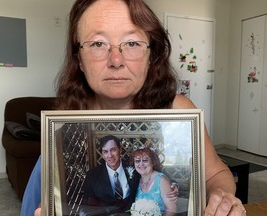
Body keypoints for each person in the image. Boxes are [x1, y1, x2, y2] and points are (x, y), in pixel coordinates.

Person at [21, 0, 246, 215]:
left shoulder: (179, 109)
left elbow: (215, 173)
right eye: (98, 43)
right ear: (79, 58)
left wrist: (222, 196)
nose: (116, 60)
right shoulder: (63, 123)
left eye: (132, 43)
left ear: (151, 55)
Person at [82, 135, 140, 209]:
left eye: (113, 150)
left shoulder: (134, 170)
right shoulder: (92, 175)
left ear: (120, 149)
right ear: (102, 154)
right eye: (105, 152)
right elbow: (87, 203)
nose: (110, 155)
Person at [129, 147, 177, 215]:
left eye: (145, 160)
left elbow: (171, 209)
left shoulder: (161, 180)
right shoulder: (136, 181)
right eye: (137, 161)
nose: (141, 164)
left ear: (153, 162)